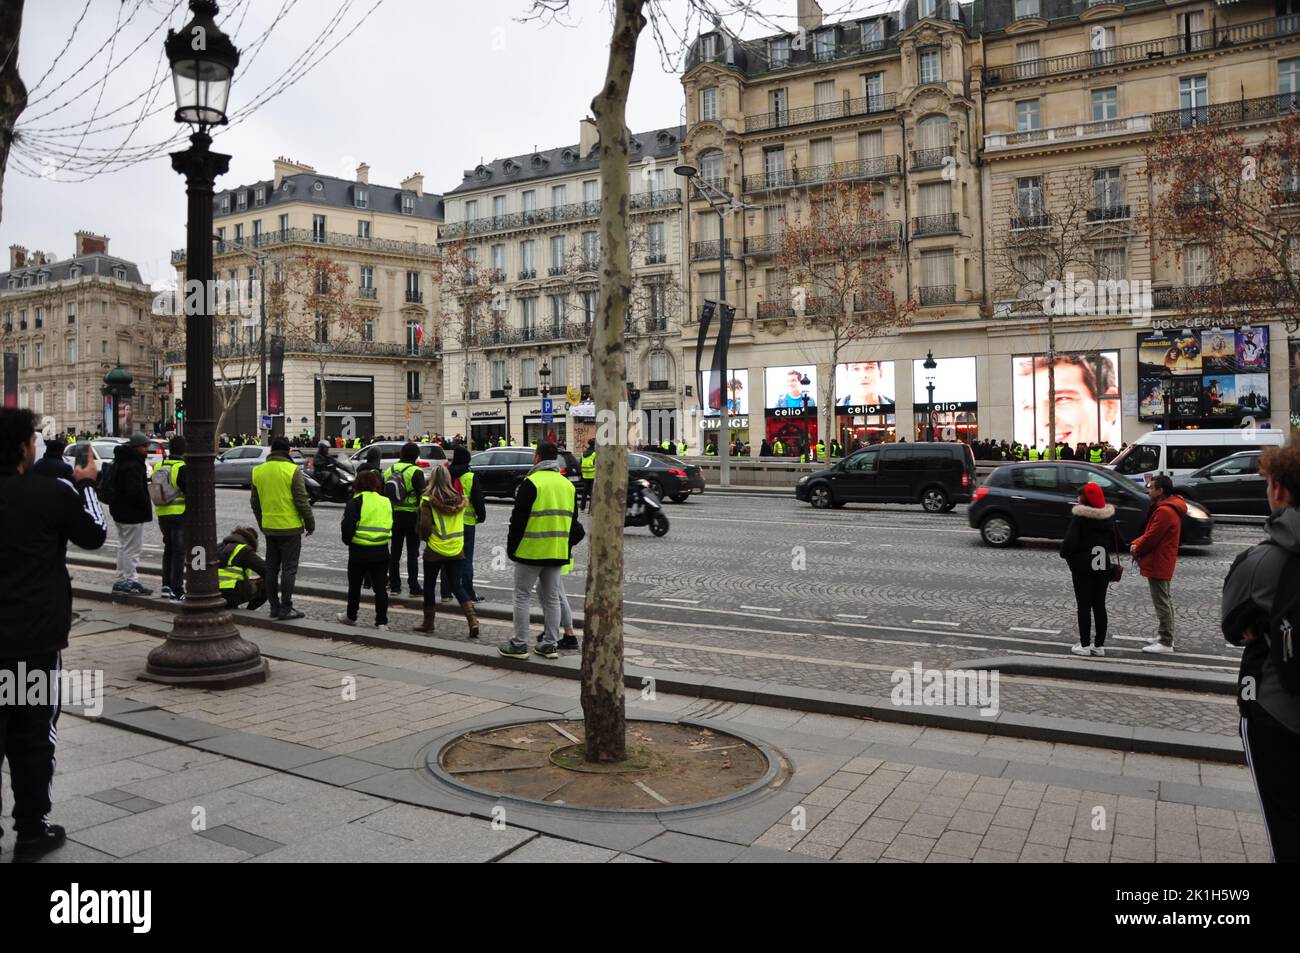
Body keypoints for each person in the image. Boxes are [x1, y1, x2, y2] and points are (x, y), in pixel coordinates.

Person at [0, 407, 107, 861]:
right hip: (33, 641)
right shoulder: (49, 493)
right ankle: (31, 831)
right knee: (33, 735)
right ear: (24, 446)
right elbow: (95, 535)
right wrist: (85, 484)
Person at [1220, 439, 1300, 861]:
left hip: (1278, 710)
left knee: (1285, 824)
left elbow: (1233, 626)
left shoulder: (1261, 562)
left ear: (1280, 491)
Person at [499, 441, 585, 660]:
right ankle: (549, 644)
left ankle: (519, 644)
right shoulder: (567, 485)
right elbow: (574, 523)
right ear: (555, 459)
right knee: (551, 598)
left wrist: (511, 548)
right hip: (557, 551)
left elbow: (517, 521)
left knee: (522, 596)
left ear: (537, 457)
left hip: (531, 550)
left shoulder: (531, 482)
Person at [250, 435, 315, 620]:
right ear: (288, 451)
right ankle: (286, 608)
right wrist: (310, 523)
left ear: (271, 451)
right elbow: (302, 501)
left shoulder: (258, 471)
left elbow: (254, 503)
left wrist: (262, 523)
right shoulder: (292, 470)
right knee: (289, 569)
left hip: (270, 528)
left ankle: (273, 607)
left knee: (271, 569)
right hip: (291, 528)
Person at [412, 464, 479, 637]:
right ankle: (472, 620)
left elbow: (425, 525)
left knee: (429, 586)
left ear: (432, 479)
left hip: (435, 549)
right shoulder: (459, 499)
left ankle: (428, 623)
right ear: (448, 479)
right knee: (457, 586)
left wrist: (423, 537)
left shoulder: (427, 500)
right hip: (456, 549)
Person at [1059, 482, 1117, 657]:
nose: (1077, 499)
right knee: (1099, 605)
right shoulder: (1108, 517)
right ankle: (1099, 646)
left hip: (1083, 566)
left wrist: (1066, 554)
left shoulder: (1080, 517)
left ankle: (1084, 645)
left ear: (1085, 499)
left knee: (1083, 605)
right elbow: (1118, 541)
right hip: (1102, 565)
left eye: (1080, 496)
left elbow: (1069, 542)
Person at [1130, 474, 1186, 653]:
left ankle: (1166, 641)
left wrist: (1136, 546)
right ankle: (1164, 634)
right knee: (1165, 599)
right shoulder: (1167, 507)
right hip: (1162, 558)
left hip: (1158, 560)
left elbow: (1152, 537)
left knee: (1161, 601)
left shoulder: (1165, 511)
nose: (1148, 490)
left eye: (1151, 487)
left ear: (1160, 491)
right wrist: (1138, 542)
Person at [337, 470, 392, 630]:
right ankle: (382, 622)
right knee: (380, 588)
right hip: (381, 549)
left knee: (355, 585)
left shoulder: (355, 501)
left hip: (359, 550)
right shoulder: (385, 501)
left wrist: (348, 541)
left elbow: (348, 528)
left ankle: (351, 616)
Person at [110, 432, 153, 595]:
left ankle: (121, 579)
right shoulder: (134, 465)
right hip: (131, 513)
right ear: (137, 448)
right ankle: (131, 580)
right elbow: (135, 491)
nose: (147, 448)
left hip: (119, 511)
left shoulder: (120, 461)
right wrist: (143, 505)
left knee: (123, 546)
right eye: (145, 446)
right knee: (133, 549)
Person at [385, 442, 427, 596]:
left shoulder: (390, 470)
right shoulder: (416, 471)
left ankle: (395, 586)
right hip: (412, 516)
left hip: (394, 515)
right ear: (416, 455)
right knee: (412, 553)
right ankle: (414, 586)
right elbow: (422, 495)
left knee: (394, 552)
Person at [449, 444, 485, 602]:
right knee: (466, 559)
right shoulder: (470, 476)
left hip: (449, 521)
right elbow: (478, 499)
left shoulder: (446, 474)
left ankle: (445, 593)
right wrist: (481, 516)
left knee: (448, 557)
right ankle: (468, 593)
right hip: (467, 522)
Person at [154, 435, 188, 602]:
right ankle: (177, 589)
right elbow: (190, 491)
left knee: (168, 549)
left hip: (162, 513)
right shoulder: (181, 468)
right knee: (179, 552)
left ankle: (165, 586)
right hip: (179, 514)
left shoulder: (159, 465)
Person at [217, 526, 267, 610]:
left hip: (212, 593)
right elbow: (267, 571)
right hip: (229, 594)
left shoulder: (217, 547)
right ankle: (249, 611)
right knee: (269, 583)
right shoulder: (243, 550)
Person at [580, 438, 596, 513]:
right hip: (592, 475)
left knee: (585, 492)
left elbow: (580, 463)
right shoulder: (594, 454)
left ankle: (582, 507)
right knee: (592, 492)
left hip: (585, 475)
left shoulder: (583, 453)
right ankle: (591, 509)